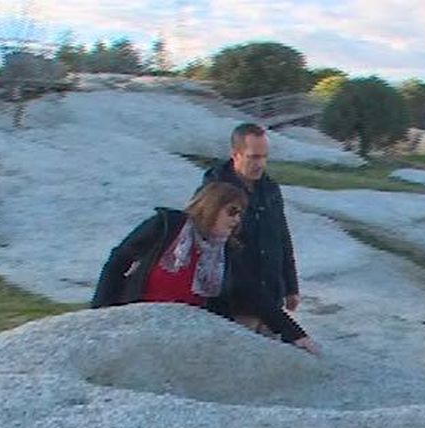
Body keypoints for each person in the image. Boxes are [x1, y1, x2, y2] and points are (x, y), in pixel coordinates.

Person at [90, 181, 320, 355]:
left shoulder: (224, 252)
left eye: (240, 214)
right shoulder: (167, 226)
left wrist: (296, 335)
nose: (237, 220)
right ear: (212, 206)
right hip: (140, 320)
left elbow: (255, 295)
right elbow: (117, 263)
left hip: (186, 332)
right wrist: (99, 315)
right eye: (231, 211)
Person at [199, 123, 300, 317]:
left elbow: (281, 237)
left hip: (270, 298)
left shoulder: (269, 189)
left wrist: (291, 286)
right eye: (253, 157)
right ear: (235, 154)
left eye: (264, 157)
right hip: (233, 301)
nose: (260, 164)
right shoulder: (215, 189)